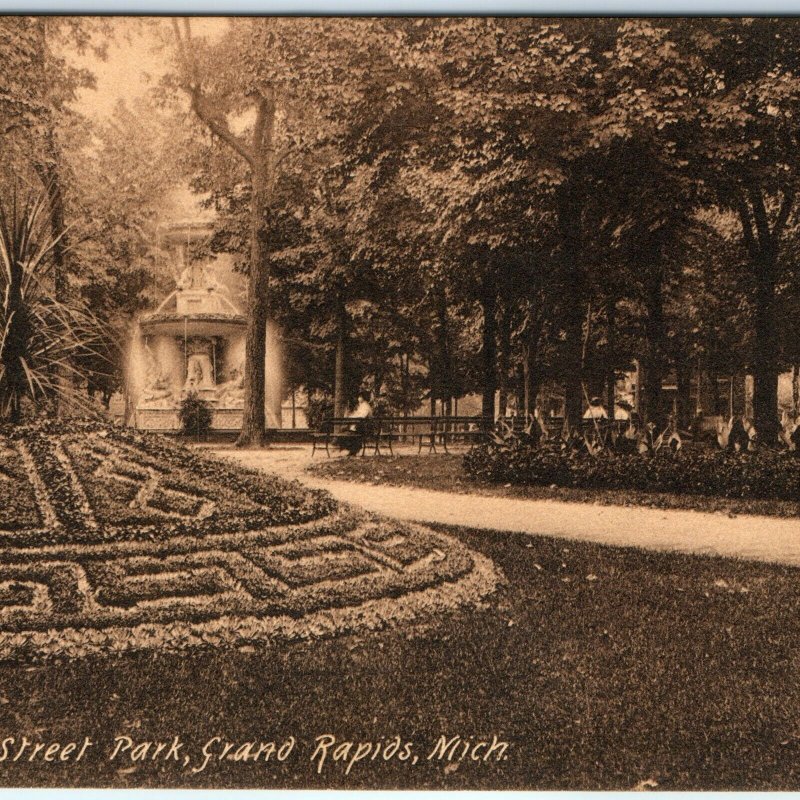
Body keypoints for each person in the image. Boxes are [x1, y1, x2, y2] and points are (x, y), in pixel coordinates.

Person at [338, 391, 374, 456]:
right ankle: (352, 450)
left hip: (365, 428)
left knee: (349, 432)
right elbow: (357, 415)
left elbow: (362, 417)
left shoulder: (365, 406)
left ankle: (353, 450)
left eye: (360, 397)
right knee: (347, 431)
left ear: (364, 398)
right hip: (360, 426)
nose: (358, 398)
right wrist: (352, 416)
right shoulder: (362, 406)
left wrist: (352, 417)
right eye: (359, 397)